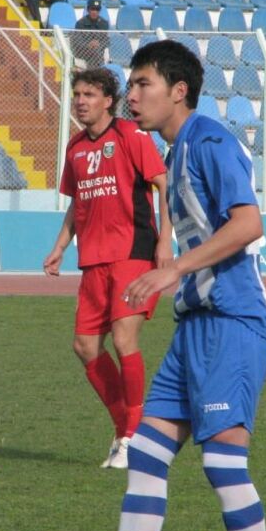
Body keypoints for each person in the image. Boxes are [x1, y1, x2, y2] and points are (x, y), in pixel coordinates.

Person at [117, 39, 266, 531]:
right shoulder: (176, 150)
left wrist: (174, 269)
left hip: (233, 318)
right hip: (194, 326)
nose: (131, 95)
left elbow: (248, 223)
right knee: (145, 454)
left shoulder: (209, 141)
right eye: (131, 84)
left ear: (178, 91)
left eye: (143, 84)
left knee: (223, 465)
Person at [43, 67, 172, 469]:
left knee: (123, 339)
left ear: (108, 101)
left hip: (133, 251)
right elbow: (77, 202)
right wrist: (60, 246)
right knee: (84, 346)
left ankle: (132, 435)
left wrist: (166, 240)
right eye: (77, 94)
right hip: (93, 260)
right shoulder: (75, 147)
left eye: (89, 95)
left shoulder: (132, 135)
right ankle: (126, 429)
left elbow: (163, 184)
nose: (81, 101)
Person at [71, 0, 110, 70]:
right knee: (95, 53)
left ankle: (93, 72)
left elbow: (106, 41)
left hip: (98, 51)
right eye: (92, 9)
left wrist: (99, 43)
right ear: (88, 10)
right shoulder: (80, 23)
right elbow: (77, 41)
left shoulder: (104, 23)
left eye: (97, 9)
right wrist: (88, 44)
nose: (95, 12)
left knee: (97, 52)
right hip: (83, 51)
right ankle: (96, 73)